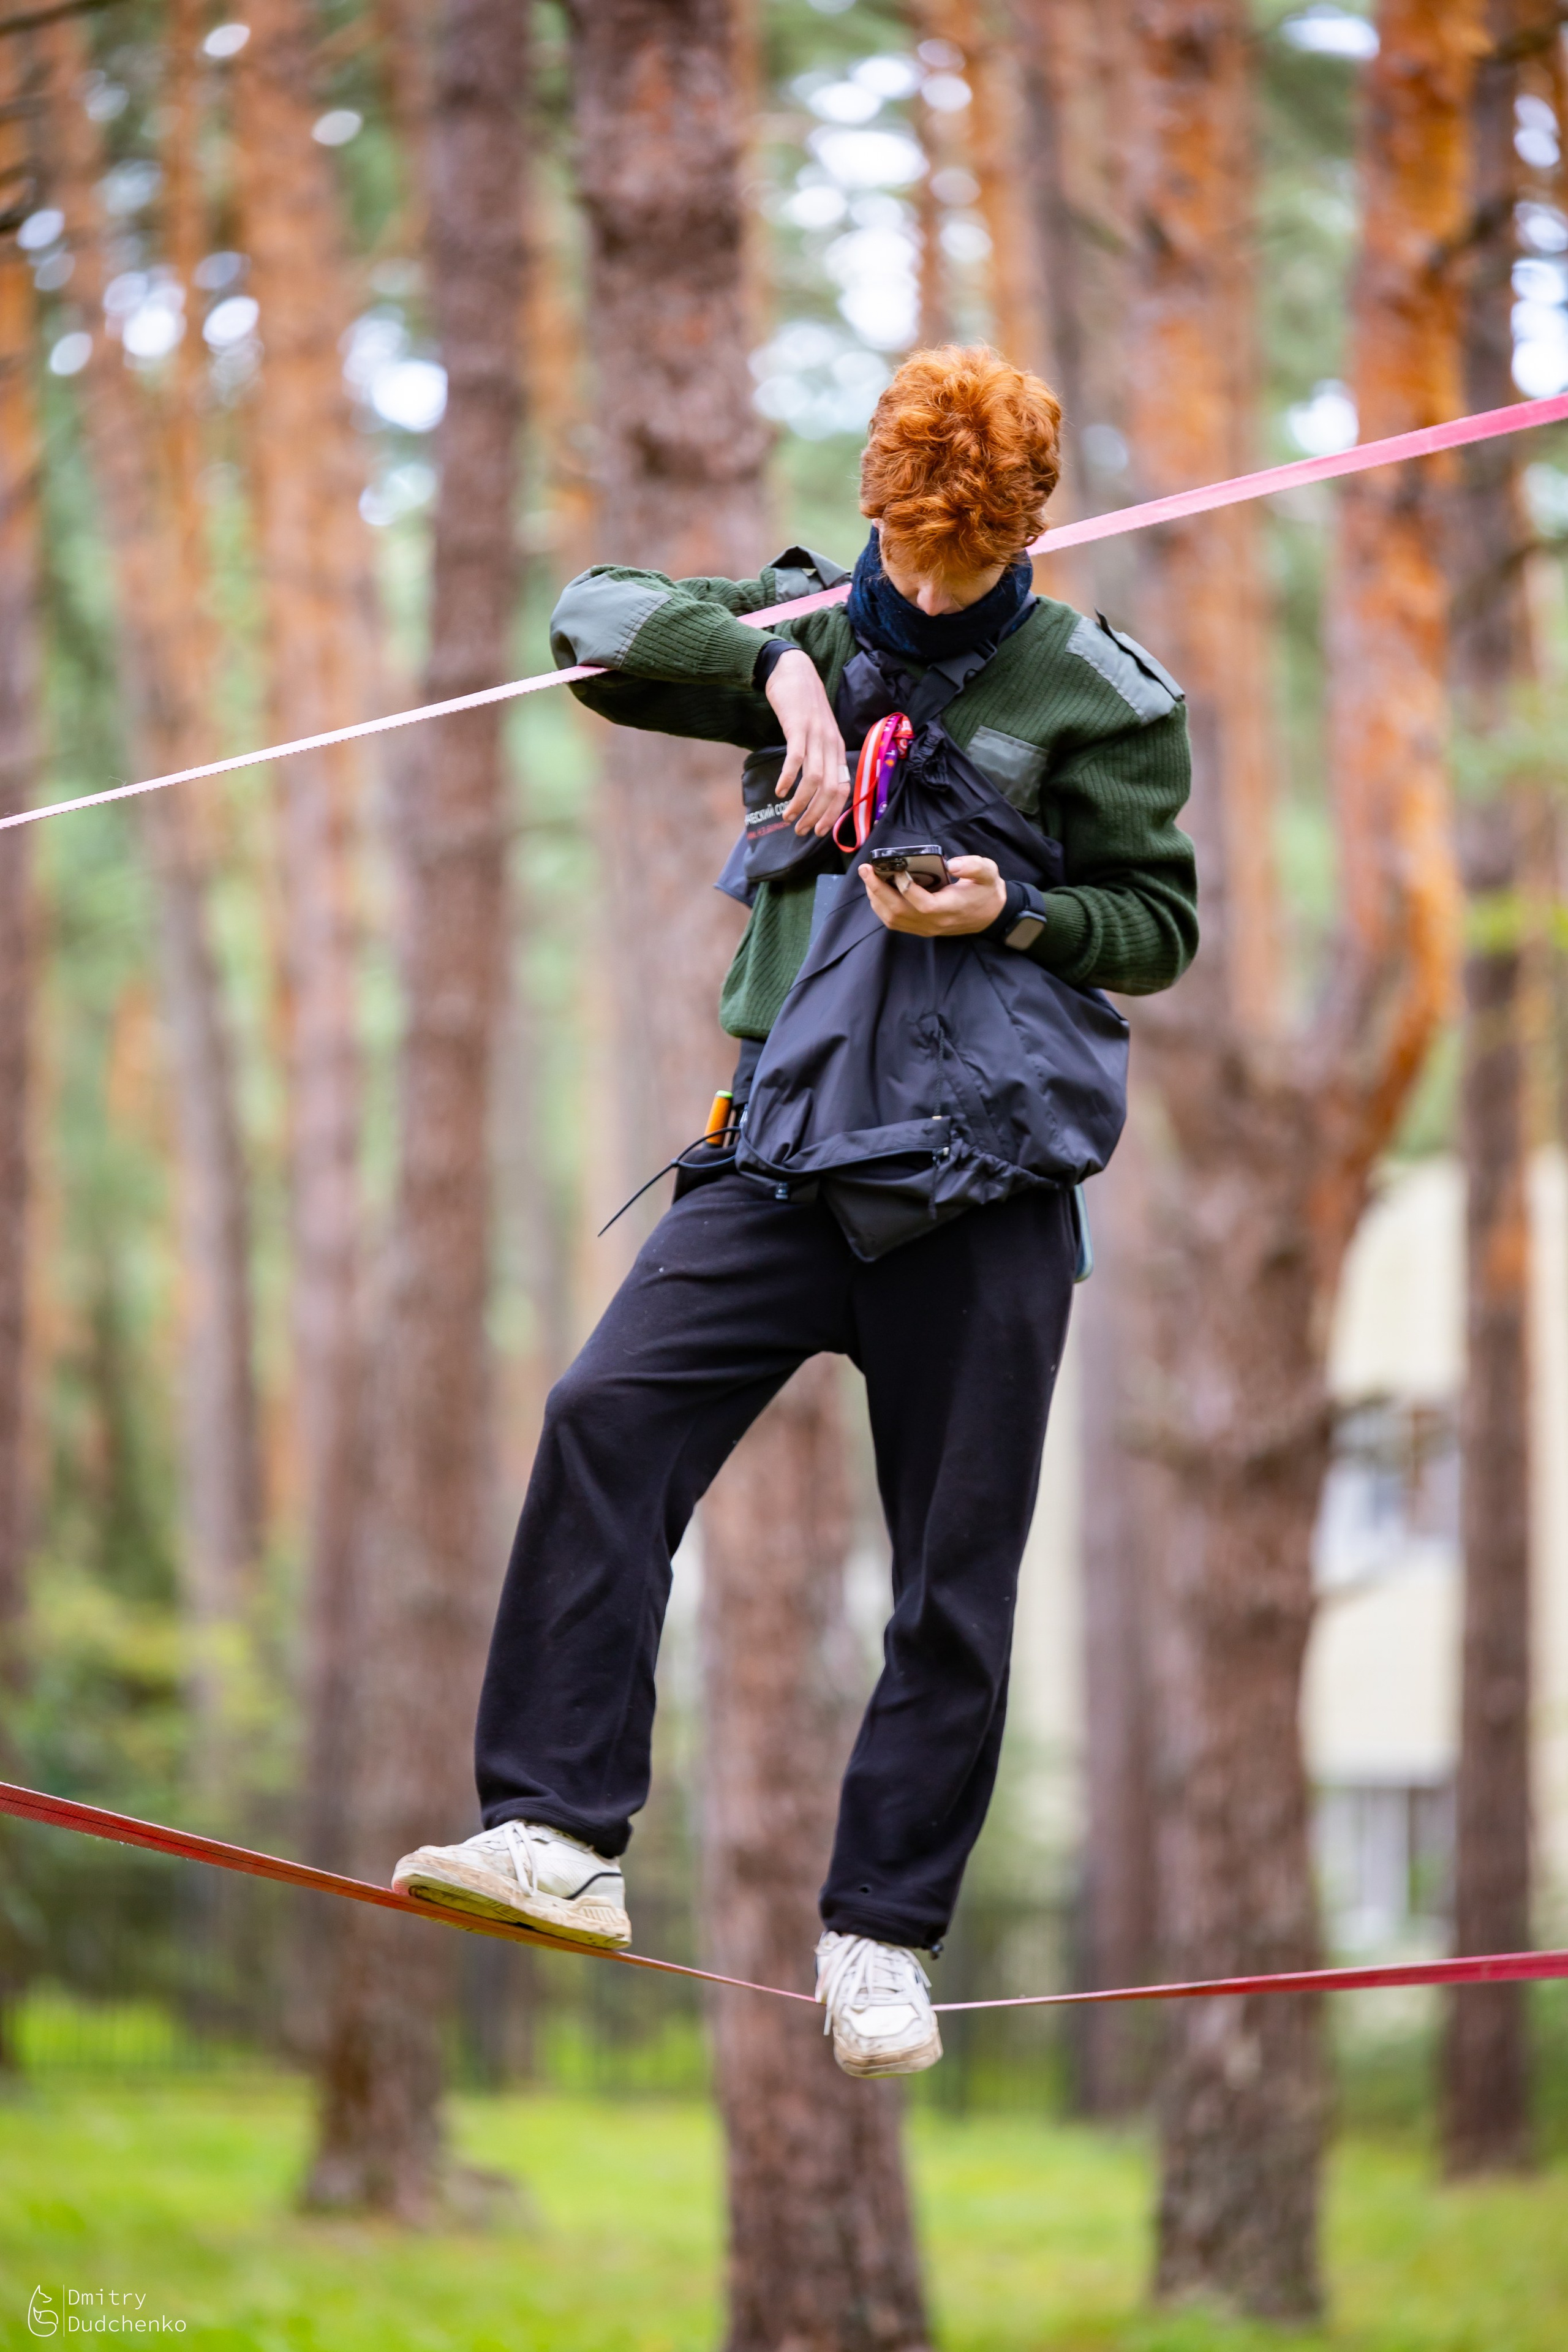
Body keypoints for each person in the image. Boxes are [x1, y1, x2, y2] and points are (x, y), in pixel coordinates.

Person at [393, 346, 1197, 2079]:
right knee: (605, 1416)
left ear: (1022, 532)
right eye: (904, 548)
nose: (924, 586)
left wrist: (1011, 905)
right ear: (877, 510)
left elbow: (1159, 924)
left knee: (951, 1585)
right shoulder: (825, 613)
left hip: (981, 1188)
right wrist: (779, 678)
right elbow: (594, 621)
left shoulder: (1102, 697)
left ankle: (881, 1941)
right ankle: (559, 1839)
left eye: (959, 563)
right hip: (782, 1153)